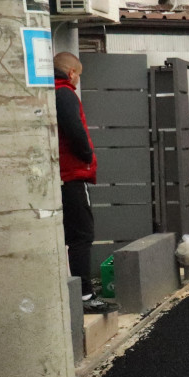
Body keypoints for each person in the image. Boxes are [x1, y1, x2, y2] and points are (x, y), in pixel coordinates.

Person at [54, 52, 117, 315]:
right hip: (72, 175)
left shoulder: (49, 92)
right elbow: (75, 130)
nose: (78, 80)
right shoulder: (65, 93)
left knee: (71, 234)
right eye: (78, 74)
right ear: (71, 73)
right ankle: (85, 295)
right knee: (82, 234)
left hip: (60, 175)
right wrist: (87, 155)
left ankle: (77, 291)